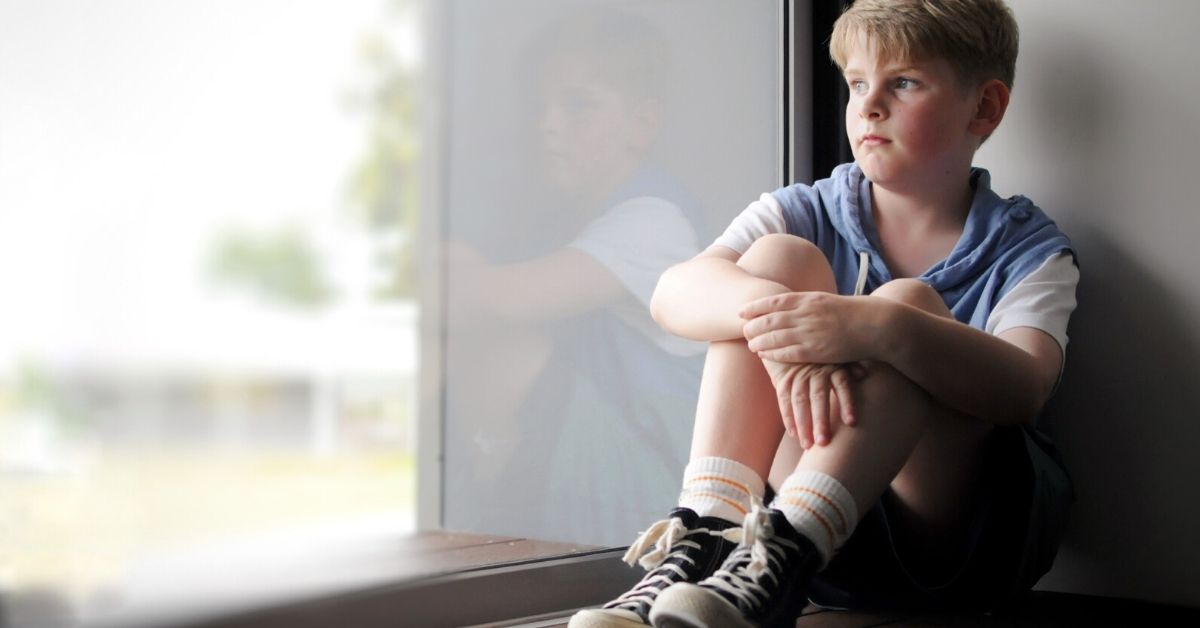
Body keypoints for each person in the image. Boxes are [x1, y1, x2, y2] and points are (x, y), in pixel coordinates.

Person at [569, 0, 1077, 626]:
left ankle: (788, 548)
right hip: (802, 550)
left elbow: (1025, 387)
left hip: (956, 551)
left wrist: (877, 329)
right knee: (773, 263)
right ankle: (707, 541)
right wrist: (793, 331)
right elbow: (672, 294)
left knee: (907, 305)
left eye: (905, 83)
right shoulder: (808, 208)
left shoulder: (1026, 247)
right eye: (858, 83)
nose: (869, 104)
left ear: (984, 107)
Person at [443, 7, 708, 544]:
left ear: (642, 124)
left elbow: (496, 299)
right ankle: (481, 487)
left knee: (498, 331)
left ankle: (483, 496)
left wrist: (446, 258)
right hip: (593, 456)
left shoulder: (653, 220)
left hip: (652, 486)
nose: (546, 123)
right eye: (540, 105)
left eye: (577, 104)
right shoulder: (569, 219)